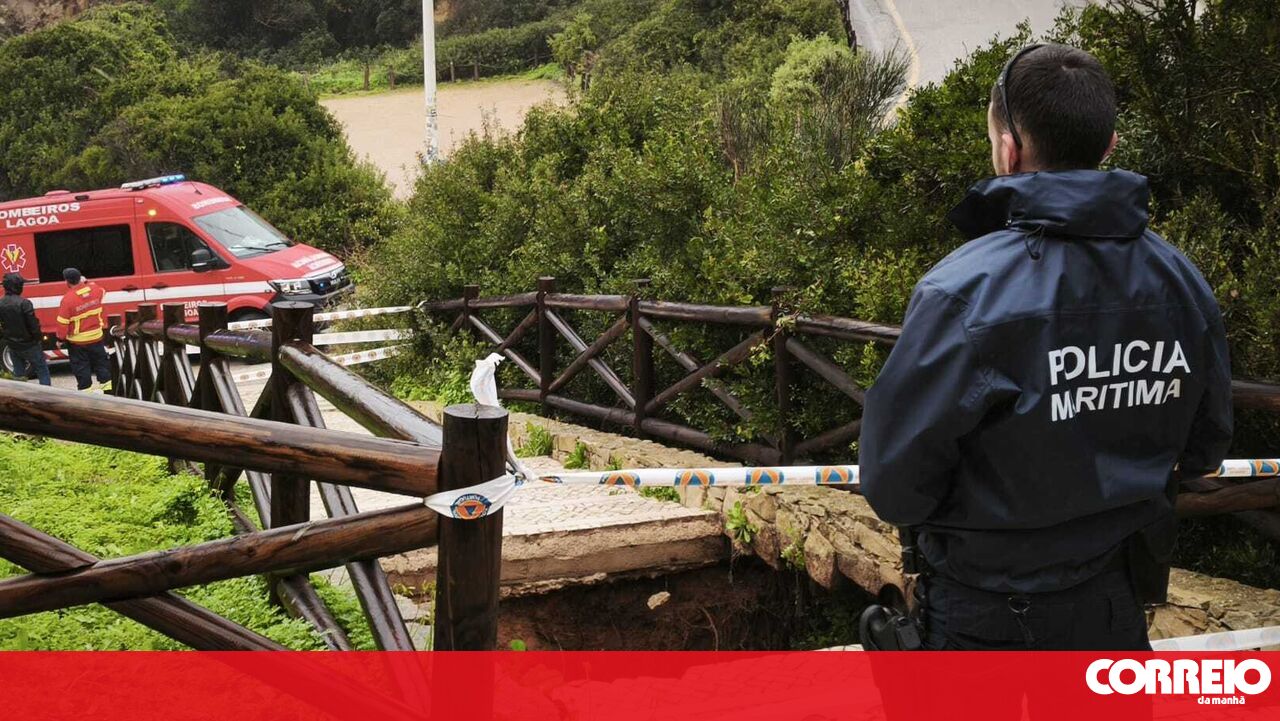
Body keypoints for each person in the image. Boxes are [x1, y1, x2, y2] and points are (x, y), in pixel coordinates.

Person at [859, 44, 1233, 653]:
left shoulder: (962, 291)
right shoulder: (1180, 280)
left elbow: (894, 484)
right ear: (1109, 146)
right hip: (1113, 602)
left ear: (1009, 149)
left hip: (977, 610)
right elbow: (1205, 447)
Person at [56, 267, 113, 393]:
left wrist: (60, 339)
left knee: (81, 369)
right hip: (96, 337)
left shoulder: (67, 299)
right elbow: (102, 290)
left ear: (67, 281)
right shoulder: (95, 290)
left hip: (78, 342)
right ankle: (109, 391)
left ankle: (86, 395)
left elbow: (62, 323)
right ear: (80, 278)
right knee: (102, 365)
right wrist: (86, 282)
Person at [0, 272, 50, 386]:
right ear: (17, 287)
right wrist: (37, 339)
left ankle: (19, 396)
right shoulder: (24, 303)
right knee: (42, 370)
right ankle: (46, 394)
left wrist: (7, 338)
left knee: (19, 376)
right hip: (29, 344)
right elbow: (33, 326)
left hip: (12, 345)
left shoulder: (1, 303)